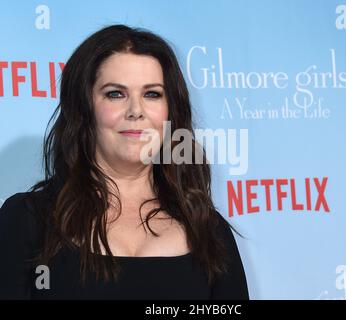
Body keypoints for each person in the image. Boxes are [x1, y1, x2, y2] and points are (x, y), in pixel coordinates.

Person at [0, 24, 249, 300]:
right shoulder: (27, 220)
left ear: (170, 112)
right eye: (115, 94)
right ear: (84, 109)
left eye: (152, 94)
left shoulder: (208, 230)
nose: (135, 111)